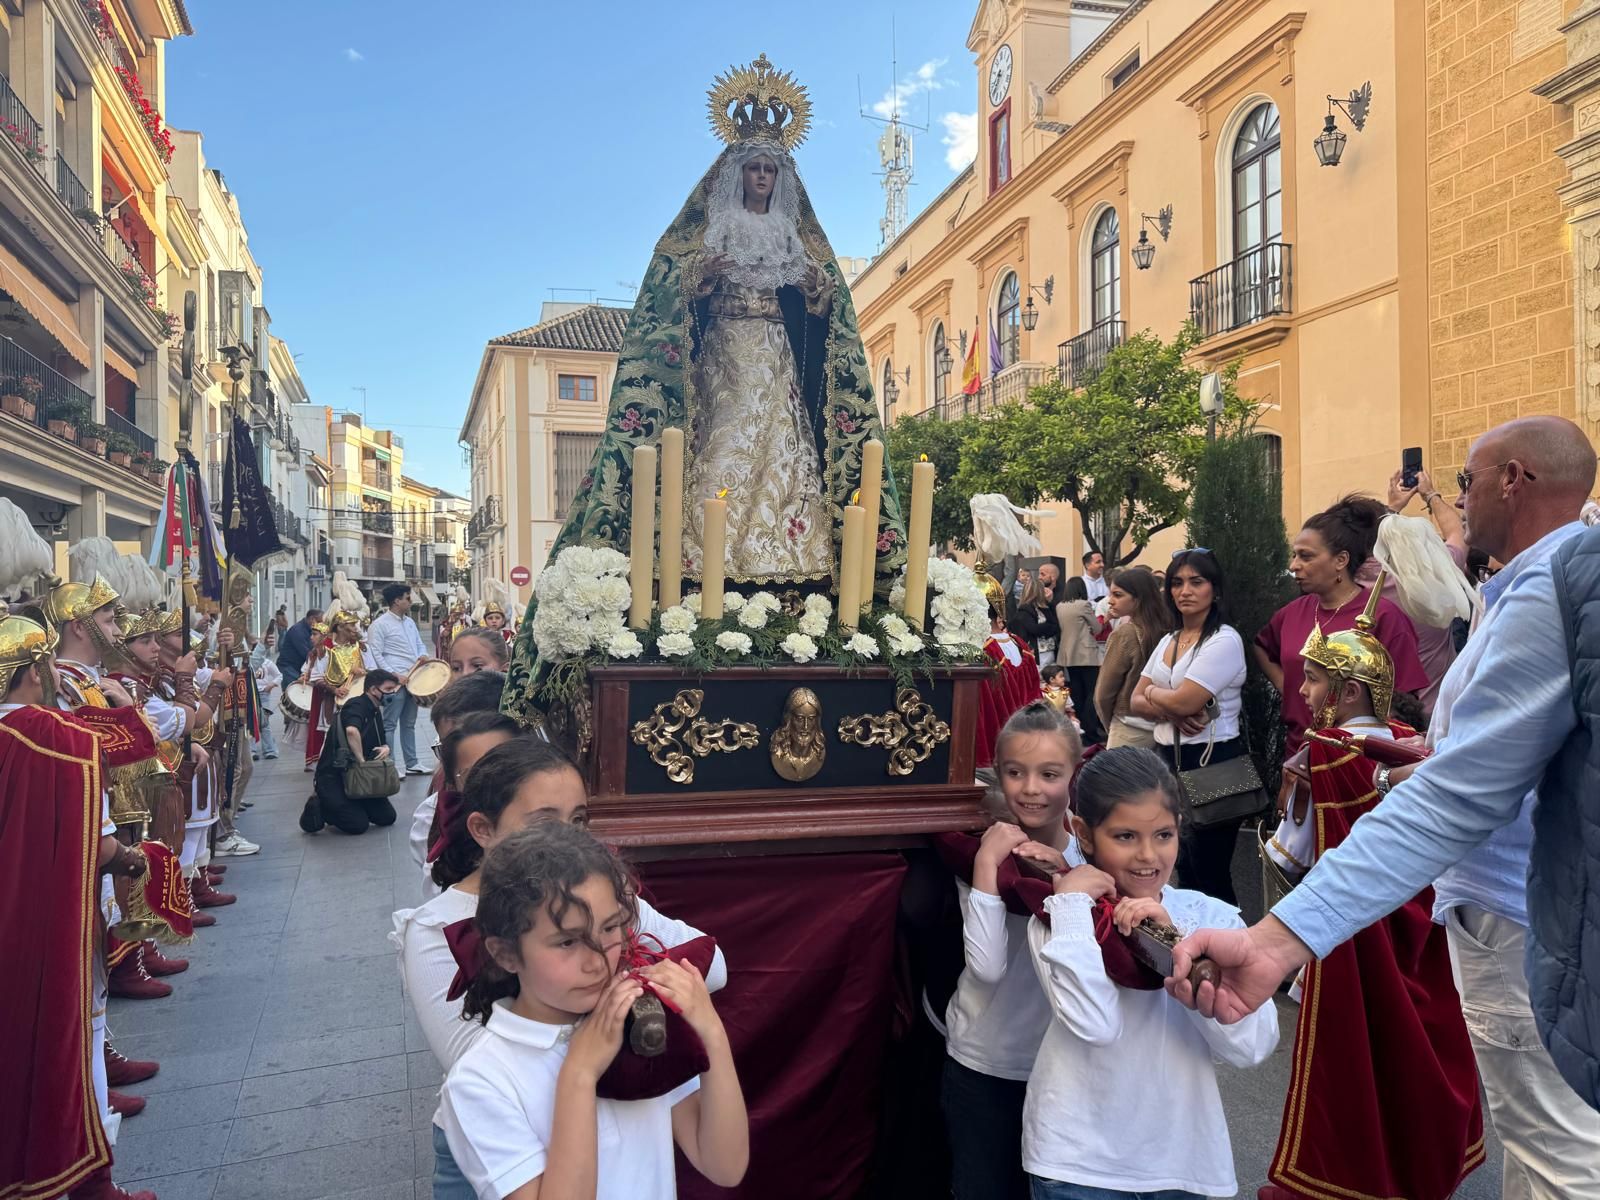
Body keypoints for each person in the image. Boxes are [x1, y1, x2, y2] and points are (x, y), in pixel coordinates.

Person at [1167, 417, 1600, 1142]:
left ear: (1513, 481)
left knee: (1559, 1151)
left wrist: (1279, 942)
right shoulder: (1519, 589)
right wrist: (1440, 759)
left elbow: (1462, 797)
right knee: (1538, 1147)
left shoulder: (1545, 595)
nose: (1457, 499)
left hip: (1516, 913)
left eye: (1465, 481)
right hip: (1508, 907)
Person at [503, 57, 906, 725]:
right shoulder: (694, 240)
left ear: (783, 179)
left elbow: (829, 323)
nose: (761, 178)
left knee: (785, 461)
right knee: (716, 463)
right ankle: (694, 575)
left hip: (776, 366)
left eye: (771, 170)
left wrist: (814, 293)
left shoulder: (799, 240)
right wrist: (699, 281)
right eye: (752, 168)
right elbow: (660, 306)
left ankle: (794, 578)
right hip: (718, 365)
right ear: (732, 175)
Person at [395, 739, 730, 1198]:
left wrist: (711, 1035)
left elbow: (724, 1164)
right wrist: (579, 1073)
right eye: (568, 941)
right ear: (506, 953)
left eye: (613, 929)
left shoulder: (634, 1025)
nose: (597, 960)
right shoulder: (483, 1078)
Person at [1259, 588, 1484, 1200]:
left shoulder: (1327, 752)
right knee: (1416, 1045)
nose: (1302, 694)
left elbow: (1287, 853)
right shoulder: (1408, 738)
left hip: (1350, 927)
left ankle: (1347, 1175)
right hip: (1423, 922)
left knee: (1352, 1061)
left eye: (1312, 682)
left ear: (1346, 692)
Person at [1023, 747, 1278, 1199]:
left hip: (1184, 1159)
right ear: (1082, 831)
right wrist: (1072, 907)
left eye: (1163, 834)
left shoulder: (1211, 917)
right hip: (1079, 1162)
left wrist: (1179, 946)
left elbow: (1251, 1047)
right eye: (1124, 836)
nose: (1147, 855)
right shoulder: (1062, 917)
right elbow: (1094, 1025)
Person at [0, 603, 157, 1200]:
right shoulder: (46, 734)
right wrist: (118, 700)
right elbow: (132, 740)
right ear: (36, 671)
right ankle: (83, 1179)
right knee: (67, 1034)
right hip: (45, 916)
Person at [943, 702, 1082, 1200]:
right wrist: (986, 863)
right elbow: (986, 969)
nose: (1030, 788)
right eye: (1015, 772)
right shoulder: (977, 852)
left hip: (1067, 1069)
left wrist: (1067, 876)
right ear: (998, 773)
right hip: (987, 1062)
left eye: (1049, 774)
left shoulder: (1094, 853)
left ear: (1074, 772)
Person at [1253, 496, 1429, 760]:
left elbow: (1404, 704)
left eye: (1306, 556)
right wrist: (1290, 686)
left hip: (1357, 763)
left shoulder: (1384, 616)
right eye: (1294, 555)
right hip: (1298, 755)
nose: (1293, 565)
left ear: (1340, 560)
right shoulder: (1292, 613)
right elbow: (1261, 646)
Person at [1129, 549, 1250, 905]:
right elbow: (1135, 700)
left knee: (1210, 869)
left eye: (1196, 582)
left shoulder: (1225, 640)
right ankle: (1190, 945)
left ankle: (1230, 945)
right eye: (1177, 583)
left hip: (1214, 761)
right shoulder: (1169, 640)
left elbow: (1183, 702)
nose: (1185, 591)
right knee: (1178, 863)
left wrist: (1157, 694)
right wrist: (1169, 705)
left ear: (1215, 589)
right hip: (1167, 760)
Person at [301, 668, 401, 836]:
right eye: (388, 689)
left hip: (359, 776)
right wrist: (361, 761)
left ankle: (357, 804)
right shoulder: (356, 705)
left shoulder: (375, 709)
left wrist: (385, 748)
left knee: (387, 817)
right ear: (373, 689)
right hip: (335, 777)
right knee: (357, 825)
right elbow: (352, 731)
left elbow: (381, 740)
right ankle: (323, 805)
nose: (392, 693)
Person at [1095, 567, 1168, 749]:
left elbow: (1104, 693)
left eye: (1118, 595)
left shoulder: (1125, 634)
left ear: (1138, 598)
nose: (1110, 601)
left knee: (1120, 778)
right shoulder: (1170, 629)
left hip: (1129, 726)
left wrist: (1110, 724)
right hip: (1166, 726)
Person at [367, 583, 431, 776]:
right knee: (390, 724)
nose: (410, 601)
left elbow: (419, 645)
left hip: (413, 680)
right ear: (396, 601)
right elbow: (376, 653)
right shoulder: (379, 625)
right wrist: (394, 674)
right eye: (408, 598)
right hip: (393, 682)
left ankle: (412, 763)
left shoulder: (410, 622)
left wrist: (423, 655)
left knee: (409, 722)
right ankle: (391, 764)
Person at [304, 607, 371, 770]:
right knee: (331, 739)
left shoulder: (359, 647)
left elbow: (370, 671)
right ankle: (324, 777)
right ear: (340, 627)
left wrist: (361, 673)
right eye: (352, 625)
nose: (356, 629)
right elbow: (316, 678)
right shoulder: (325, 650)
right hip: (332, 703)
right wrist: (335, 690)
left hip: (356, 701)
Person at [1054, 577, 1105, 745]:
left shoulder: (1060, 606)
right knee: (1091, 692)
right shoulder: (1084, 605)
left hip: (1067, 654)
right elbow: (1097, 628)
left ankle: (1081, 729)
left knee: (1077, 693)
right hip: (1086, 653)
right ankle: (1091, 731)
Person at [1007, 575, 1059, 665]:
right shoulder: (1024, 611)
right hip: (1037, 655)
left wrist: (1048, 603)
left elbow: (1055, 626)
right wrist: (1049, 627)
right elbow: (1034, 629)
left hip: (1049, 652)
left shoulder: (1044, 608)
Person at [251, 627, 281, 762]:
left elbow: (279, 676)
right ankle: (251, 750)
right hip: (251, 694)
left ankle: (270, 749)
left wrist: (271, 684)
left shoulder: (267, 663)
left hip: (263, 695)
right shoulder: (249, 665)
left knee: (264, 722)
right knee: (251, 722)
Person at [276, 606, 322, 687]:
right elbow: (306, 654)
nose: (321, 624)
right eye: (319, 621)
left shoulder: (309, 629)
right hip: (288, 667)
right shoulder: (298, 631)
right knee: (293, 692)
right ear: (312, 619)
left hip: (297, 667)